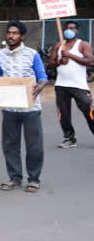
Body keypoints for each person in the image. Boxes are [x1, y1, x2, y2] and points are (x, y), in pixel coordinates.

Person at [0, 21, 48, 193]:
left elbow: (43, 77)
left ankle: (33, 179)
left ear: (22, 36)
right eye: (9, 33)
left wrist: (39, 86)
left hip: (30, 108)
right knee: (10, 144)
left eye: (15, 33)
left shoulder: (32, 54)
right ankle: (14, 178)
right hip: (10, 108)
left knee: (34, 145)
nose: (11, 36)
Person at [49, 20, 94, 148]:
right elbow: (50, 63)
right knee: (63, 114)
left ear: (77, 30)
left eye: (72, 28)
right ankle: (69, 138)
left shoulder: (83, 44)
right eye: (67, 28)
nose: (70, 30)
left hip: (79, 86)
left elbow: (90, 61)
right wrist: (59, 61)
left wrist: (70, 55)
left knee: (88, 110)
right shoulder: (59, 45)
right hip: (61, 85)